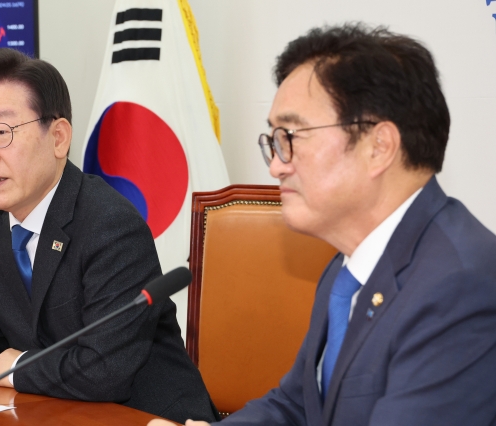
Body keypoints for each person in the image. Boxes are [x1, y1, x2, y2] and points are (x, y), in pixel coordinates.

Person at [150, 23, 496, 426]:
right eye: (273, 140)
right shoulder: (346, 267)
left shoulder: (461, 284)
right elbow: (296, 404)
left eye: (290, 136)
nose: (277, 164)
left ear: (379, 146)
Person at [0, 48, 219, 424]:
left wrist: (17, 367)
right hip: (55, 413)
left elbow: (105, 369)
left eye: (1, 133)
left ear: (59, 138)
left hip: (147, 417)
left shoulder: (110, 225)